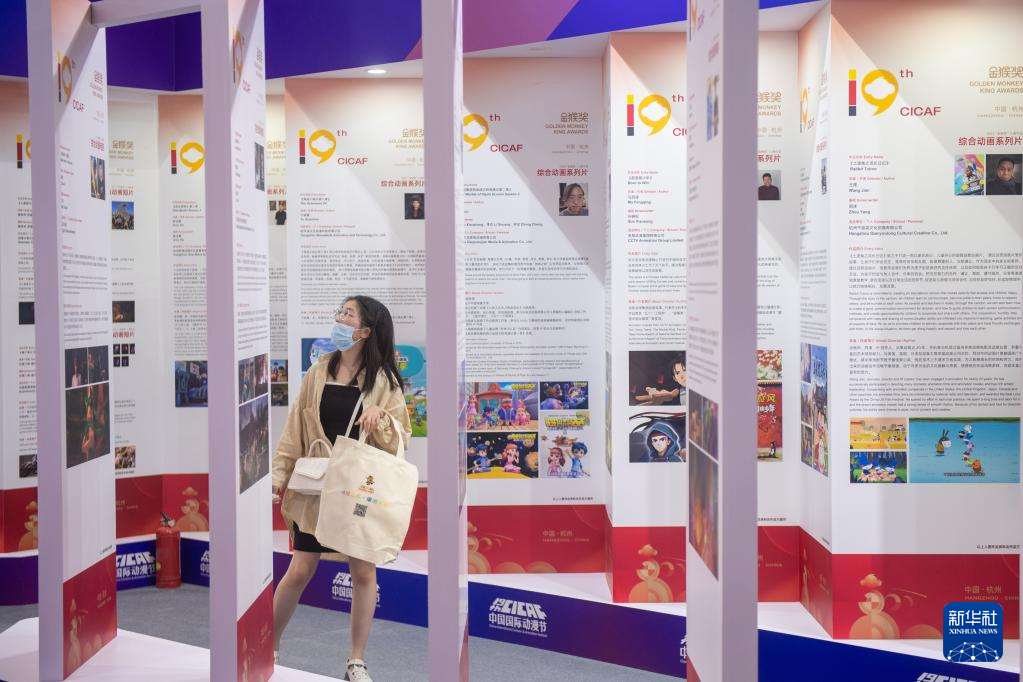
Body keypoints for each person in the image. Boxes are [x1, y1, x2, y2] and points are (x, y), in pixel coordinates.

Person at [271, 295, 411, 682]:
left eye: (347, 314)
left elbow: (402, 437)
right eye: (340, 312)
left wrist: (382, 418)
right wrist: (278, 477)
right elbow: (293, 433)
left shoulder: (383, 382)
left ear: (365, 332)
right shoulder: (318, 371)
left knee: (363, 573)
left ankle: (356, 661)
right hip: (316, 488)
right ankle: (269, 644)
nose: (339, 318)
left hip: (357, 492)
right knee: (300, 568)